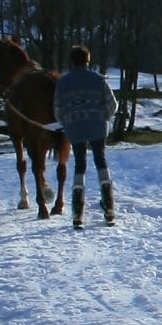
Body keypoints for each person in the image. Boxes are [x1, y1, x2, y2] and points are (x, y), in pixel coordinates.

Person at [52, 45, 118, 227]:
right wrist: (103, 116)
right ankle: (109, 208)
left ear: (71, 61)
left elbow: (57, 109)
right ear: (87, 60)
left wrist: (68, 122)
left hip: (75, 128)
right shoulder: (98, 80)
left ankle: (77, 213)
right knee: (100, 160)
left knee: (79, 165)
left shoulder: (63, 83)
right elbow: (113, 104)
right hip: (98, 126)